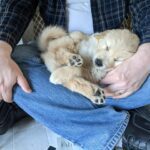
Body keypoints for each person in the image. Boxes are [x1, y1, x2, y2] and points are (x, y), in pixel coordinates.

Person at [0, 0, 150, 149]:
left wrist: (144, 57)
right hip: (62, 49)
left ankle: (67, 106)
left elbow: (144, 4)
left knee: (35, 85)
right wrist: (2, 49)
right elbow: (17, 4)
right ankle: (123, 129)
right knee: (15, 64)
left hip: (114, 54)